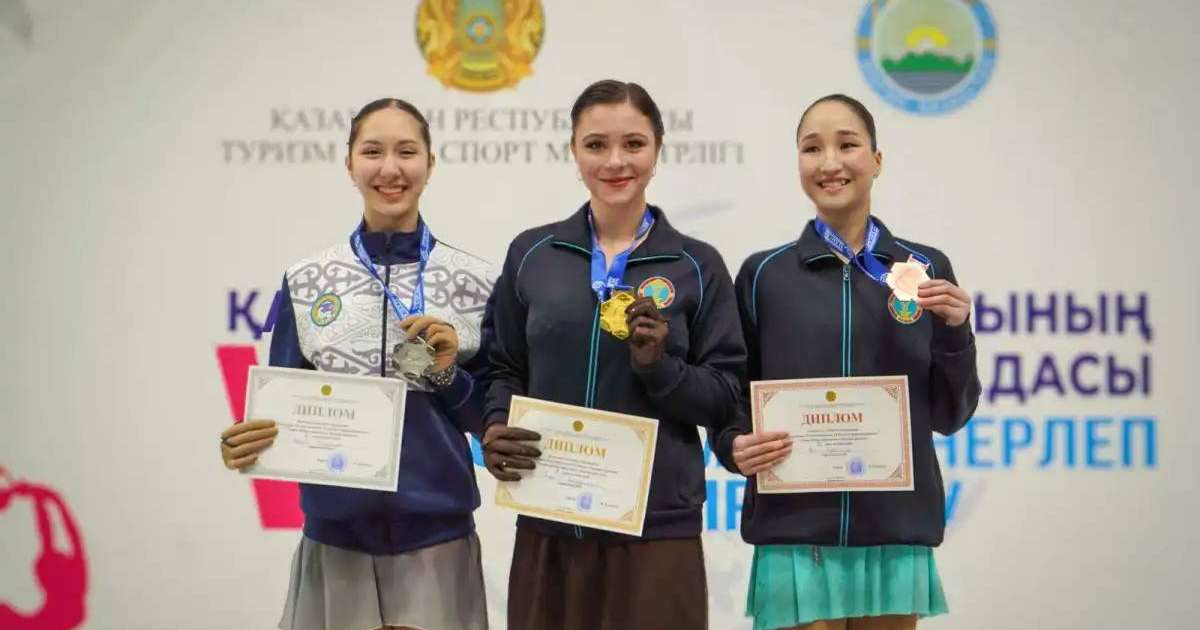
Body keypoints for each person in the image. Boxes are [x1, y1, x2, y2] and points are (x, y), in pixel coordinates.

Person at [217, 97, 493, 630]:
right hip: (334, 544)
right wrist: (243, 445)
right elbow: (285, 409)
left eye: (407, 152)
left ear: (430, 163)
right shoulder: (308, 279)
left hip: (438, 543)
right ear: (349, 165)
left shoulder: (476, 282)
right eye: (373, 152)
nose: (390, 169)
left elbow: (491, 421)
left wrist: (446, 374)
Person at [480, 79, 746, 630]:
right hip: (549, 519)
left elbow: (724, 397)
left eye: (634, 143)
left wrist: (661, 369)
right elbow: (504, 367)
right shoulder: (533, 253)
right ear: (573, 151)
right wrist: (495, 426)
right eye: (596, 144)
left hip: (656, 530)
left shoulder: (696, 266)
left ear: (658, 148)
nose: (615, 161)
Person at [715, 94, 981, 630]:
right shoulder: (762, 275)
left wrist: (957, 332)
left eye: (847, 144)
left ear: (877, 160)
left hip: (894, 528)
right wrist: (731, 444)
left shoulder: (925, 268)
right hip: (794, 528)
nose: (830, 162)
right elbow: (730, 396)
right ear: (798, 165)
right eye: (812, 148)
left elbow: (951, 415)